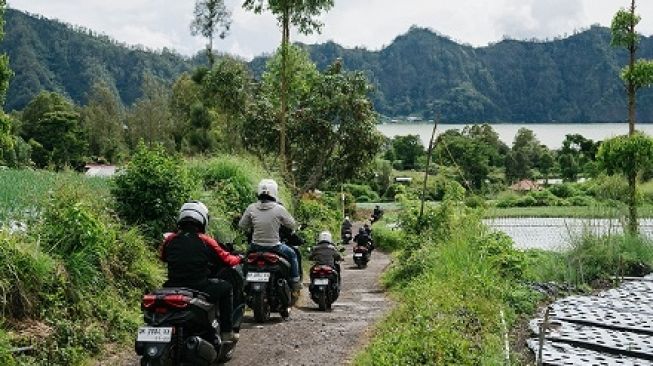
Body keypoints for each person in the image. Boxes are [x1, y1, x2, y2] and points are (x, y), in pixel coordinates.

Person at [160, 201, 242, 343]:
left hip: (172, 287)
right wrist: (239, 258)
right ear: (202, 219)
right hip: (199, 286)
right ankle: (227, 332)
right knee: (226, 287)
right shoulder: (206, 240)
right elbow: (227, 260)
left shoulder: (170, 240)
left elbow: (162, 257)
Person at [239, 179, 301, 290]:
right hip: (275, 247)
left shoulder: (251, 208)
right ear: (274, 192)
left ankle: (243, 281)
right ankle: (295, 281)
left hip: (255, 247)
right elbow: (292, 224)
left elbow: (242, 225)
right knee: (292, 255)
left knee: (244, 259)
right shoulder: (279, 209)